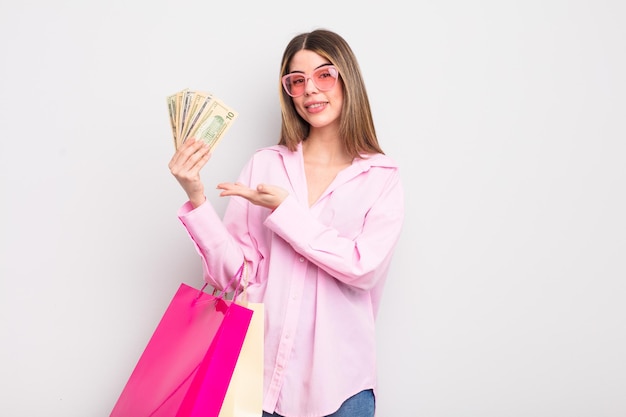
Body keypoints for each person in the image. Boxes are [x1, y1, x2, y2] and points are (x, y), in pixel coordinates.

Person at [168, 28, 404, 417]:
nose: (310, 89)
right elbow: (234, 278)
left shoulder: (381, 176)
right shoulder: (266, 164)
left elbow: (363, 268)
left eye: (324, 75)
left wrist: (286, 212)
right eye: (297, 81)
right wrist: (196, 196)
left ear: (348, 80)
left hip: (341, 389)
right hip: (254, 379)